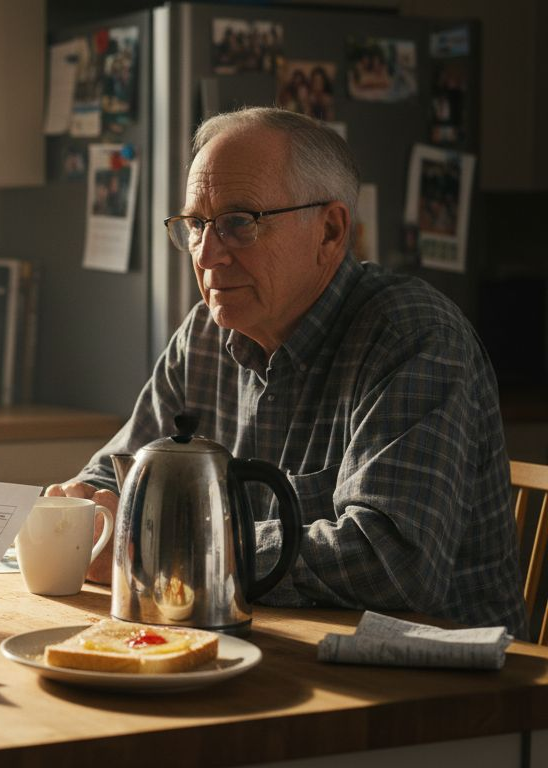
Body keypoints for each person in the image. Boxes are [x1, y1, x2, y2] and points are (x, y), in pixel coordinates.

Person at [47, 107, 525, 637]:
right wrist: (84, 511)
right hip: (265, 649)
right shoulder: (205, 334)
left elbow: (391, 562)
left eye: (238, 222)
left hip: (435, 694)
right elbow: (119, 472)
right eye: (196, 225)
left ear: (330, 230)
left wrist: (175, 550)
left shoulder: (412, 337)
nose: (207, 256)